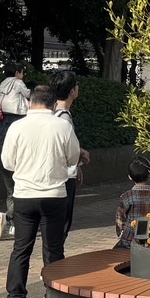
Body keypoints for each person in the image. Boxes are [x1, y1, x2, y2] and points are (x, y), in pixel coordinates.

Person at [0, 84, 80, 298]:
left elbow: (7, 162)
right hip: (54, 195)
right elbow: (73, 158)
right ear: (53, 104)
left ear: (29, 102)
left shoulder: (16, 127)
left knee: (21, 249)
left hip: (24, 195)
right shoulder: (62, 126)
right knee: (53, 249)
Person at [48, 70, 91, 248]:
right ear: (72, 91)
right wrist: (79, 154)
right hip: (64, 177)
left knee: (53, 227)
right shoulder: (64, 117)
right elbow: (66, 147)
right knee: (61, 226)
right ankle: (55, 261)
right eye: (76, 85)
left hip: (52, 174)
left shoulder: (50, 113)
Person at [0, 63, 29, 240]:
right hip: (18, 161)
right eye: (22, 72)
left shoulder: (3, 86)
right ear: (17, 72)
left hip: (1, 158)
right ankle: (8, 218)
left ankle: (14, 225)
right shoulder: (20, 123)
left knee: (10, 192)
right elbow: (28, 94)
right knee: (22, 191)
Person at [115, 160, 150, 249]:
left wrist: (121, 235)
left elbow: (119, 221)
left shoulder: (126, 196)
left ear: (130, 177)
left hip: (130, 240)